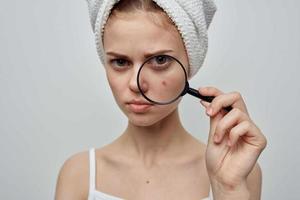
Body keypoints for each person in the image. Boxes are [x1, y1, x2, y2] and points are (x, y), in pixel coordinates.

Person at [55, 0, 267, 199]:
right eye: (120, 62)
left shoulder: (238, 170)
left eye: (160, 60)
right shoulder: (78, 175)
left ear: (190, 63)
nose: (136, 85)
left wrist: (228, 190)